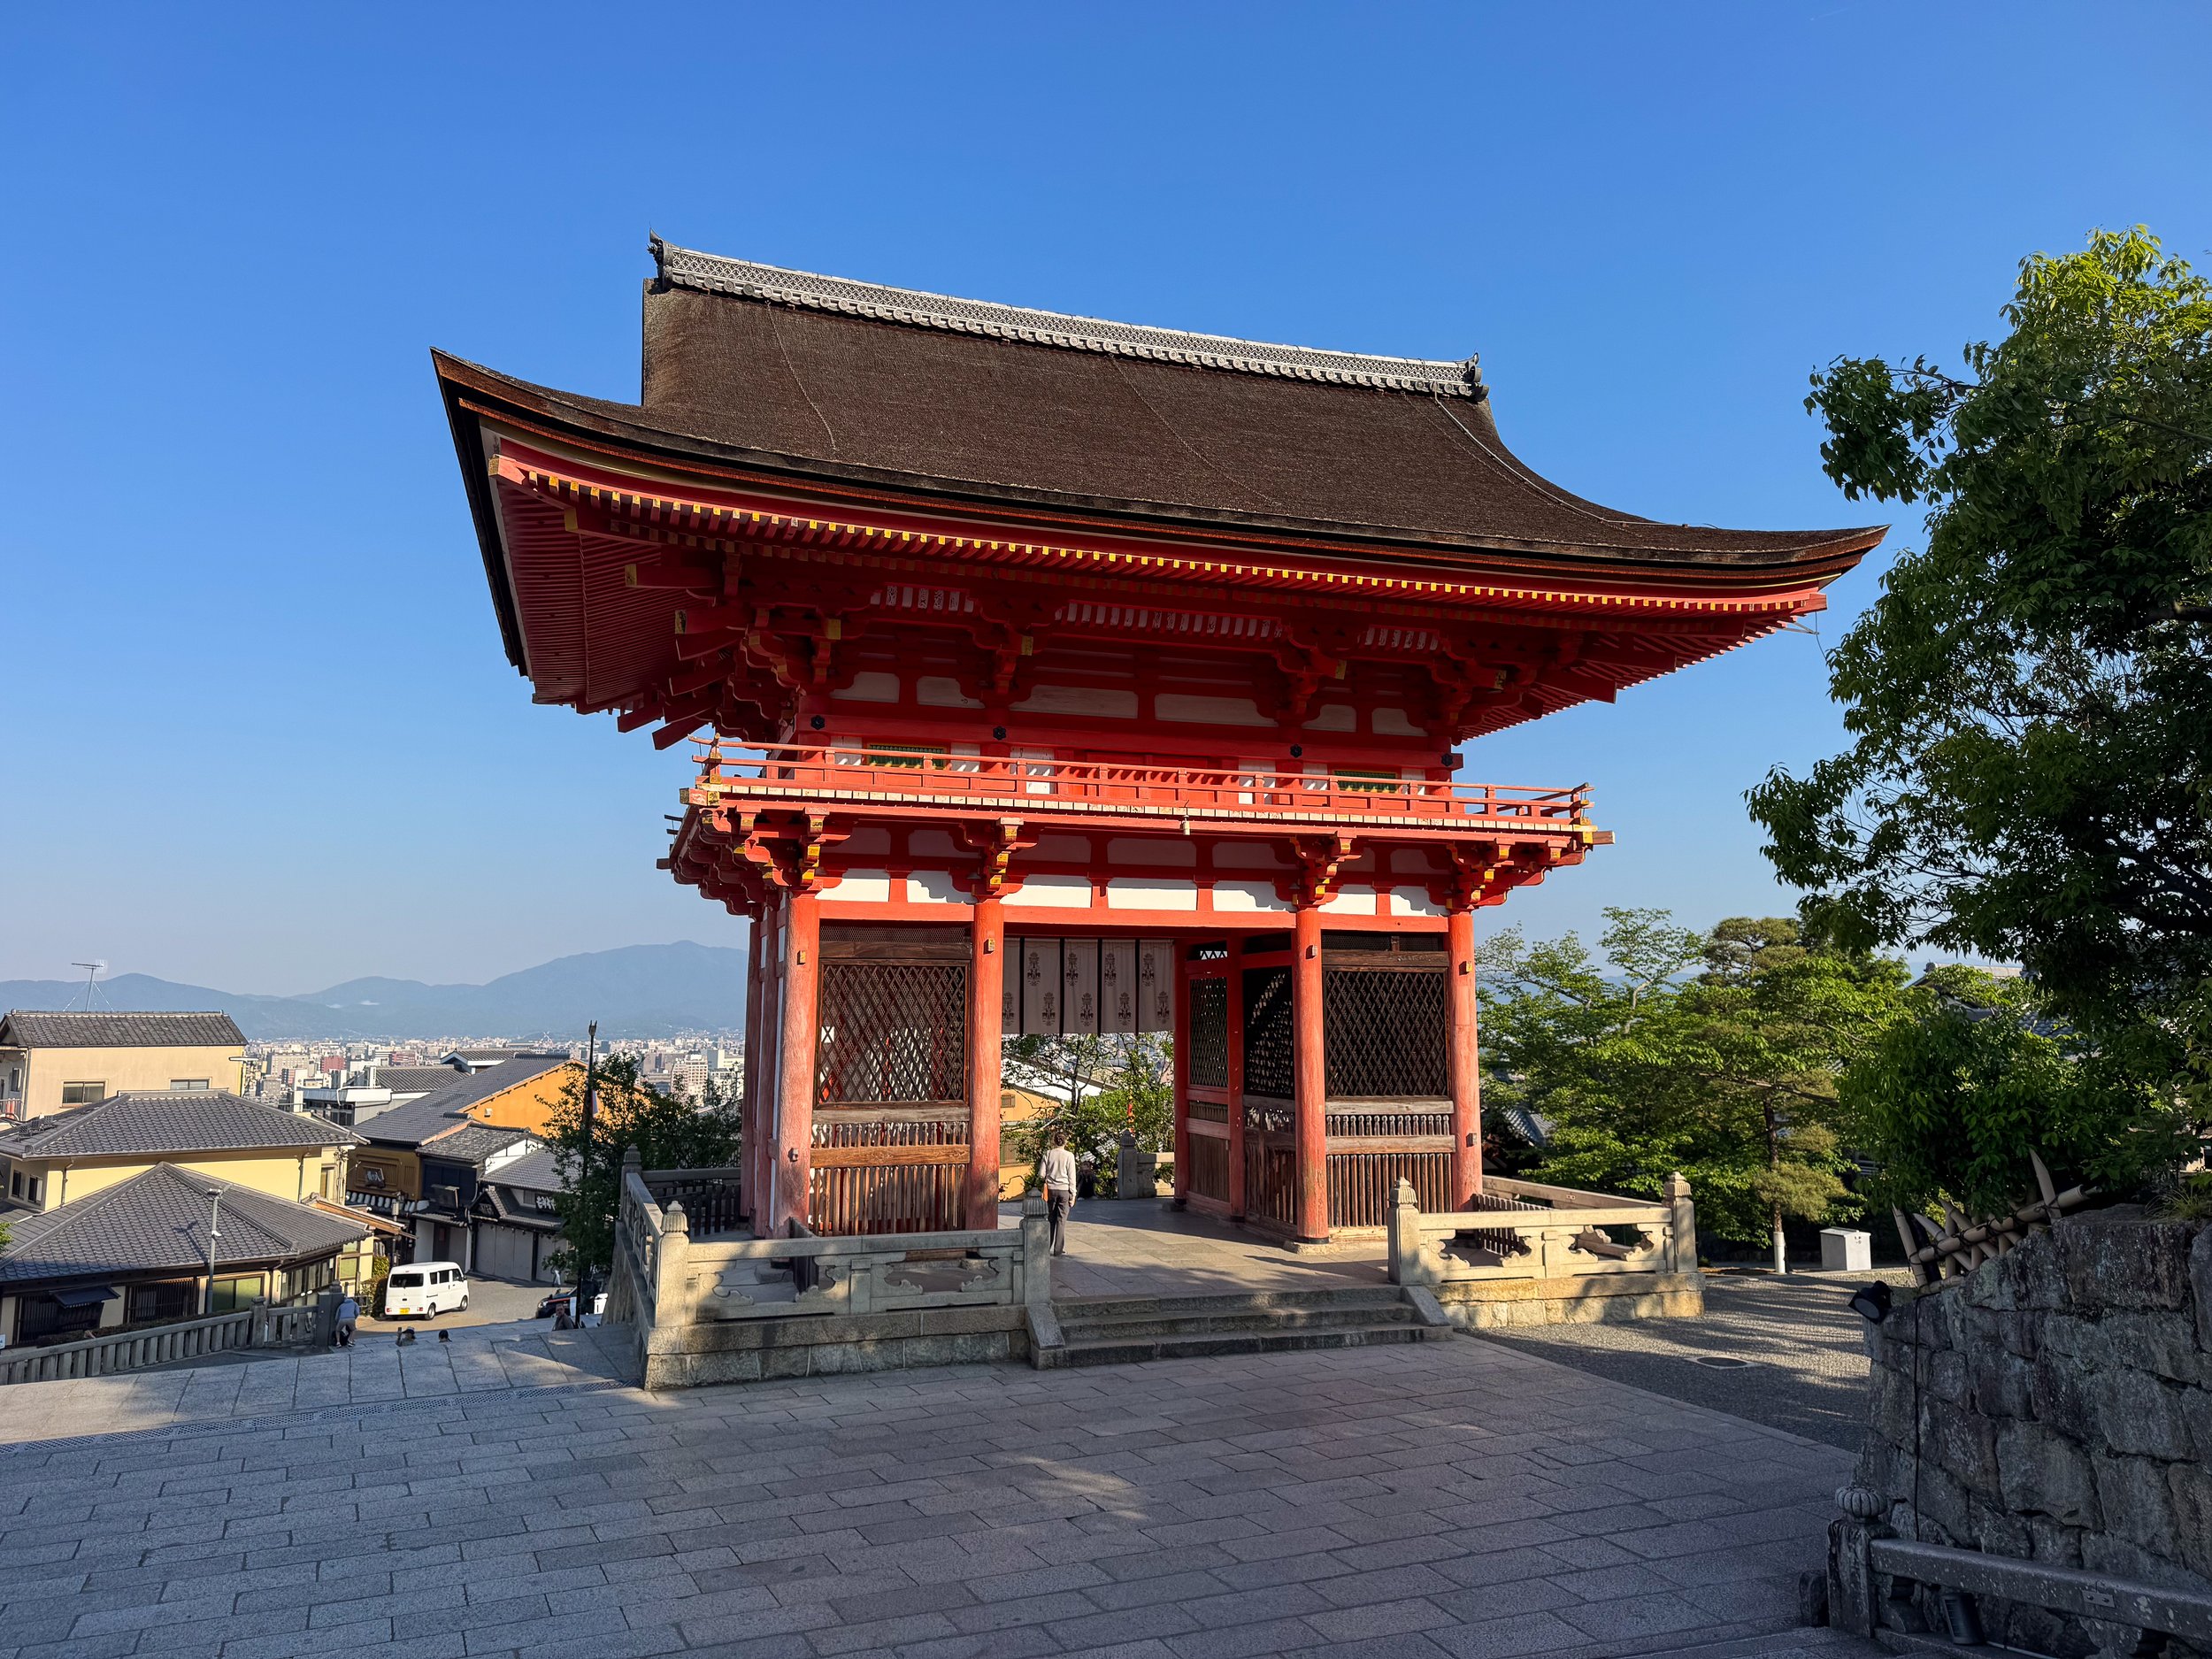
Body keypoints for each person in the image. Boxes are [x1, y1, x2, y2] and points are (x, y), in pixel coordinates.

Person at [1040, 1131, 1078, 1257]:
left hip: (1051, 1189)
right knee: (1061, 1220)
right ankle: (1058, 1249)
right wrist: (1073, 1194)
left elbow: (1041, 1174)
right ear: (1065, 1141)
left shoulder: (1048, 1154)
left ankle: (1046, 1247)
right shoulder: (1069, 1156)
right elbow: (1072, 1177)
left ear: (1053, 1141)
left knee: (1051, 1219)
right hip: (1064, 1189)